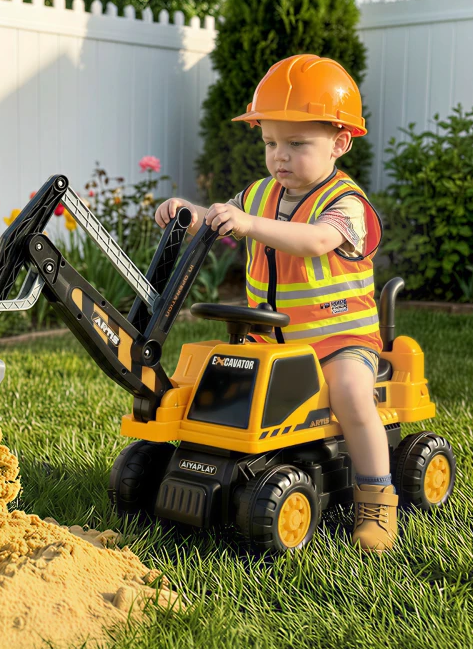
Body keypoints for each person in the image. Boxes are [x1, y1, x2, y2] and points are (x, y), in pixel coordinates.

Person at [154, 54, 397, 553]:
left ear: (340, 143)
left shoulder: (347, 205)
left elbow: (310, 241)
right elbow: (224, 218)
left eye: (297, 144)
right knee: (211, 382)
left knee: (352, 394)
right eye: (270, 142)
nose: (280, 156)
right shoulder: (261, 194)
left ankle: (377, 496)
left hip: (338, 340)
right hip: (270, 338)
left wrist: (247, 224)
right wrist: (191, 213)